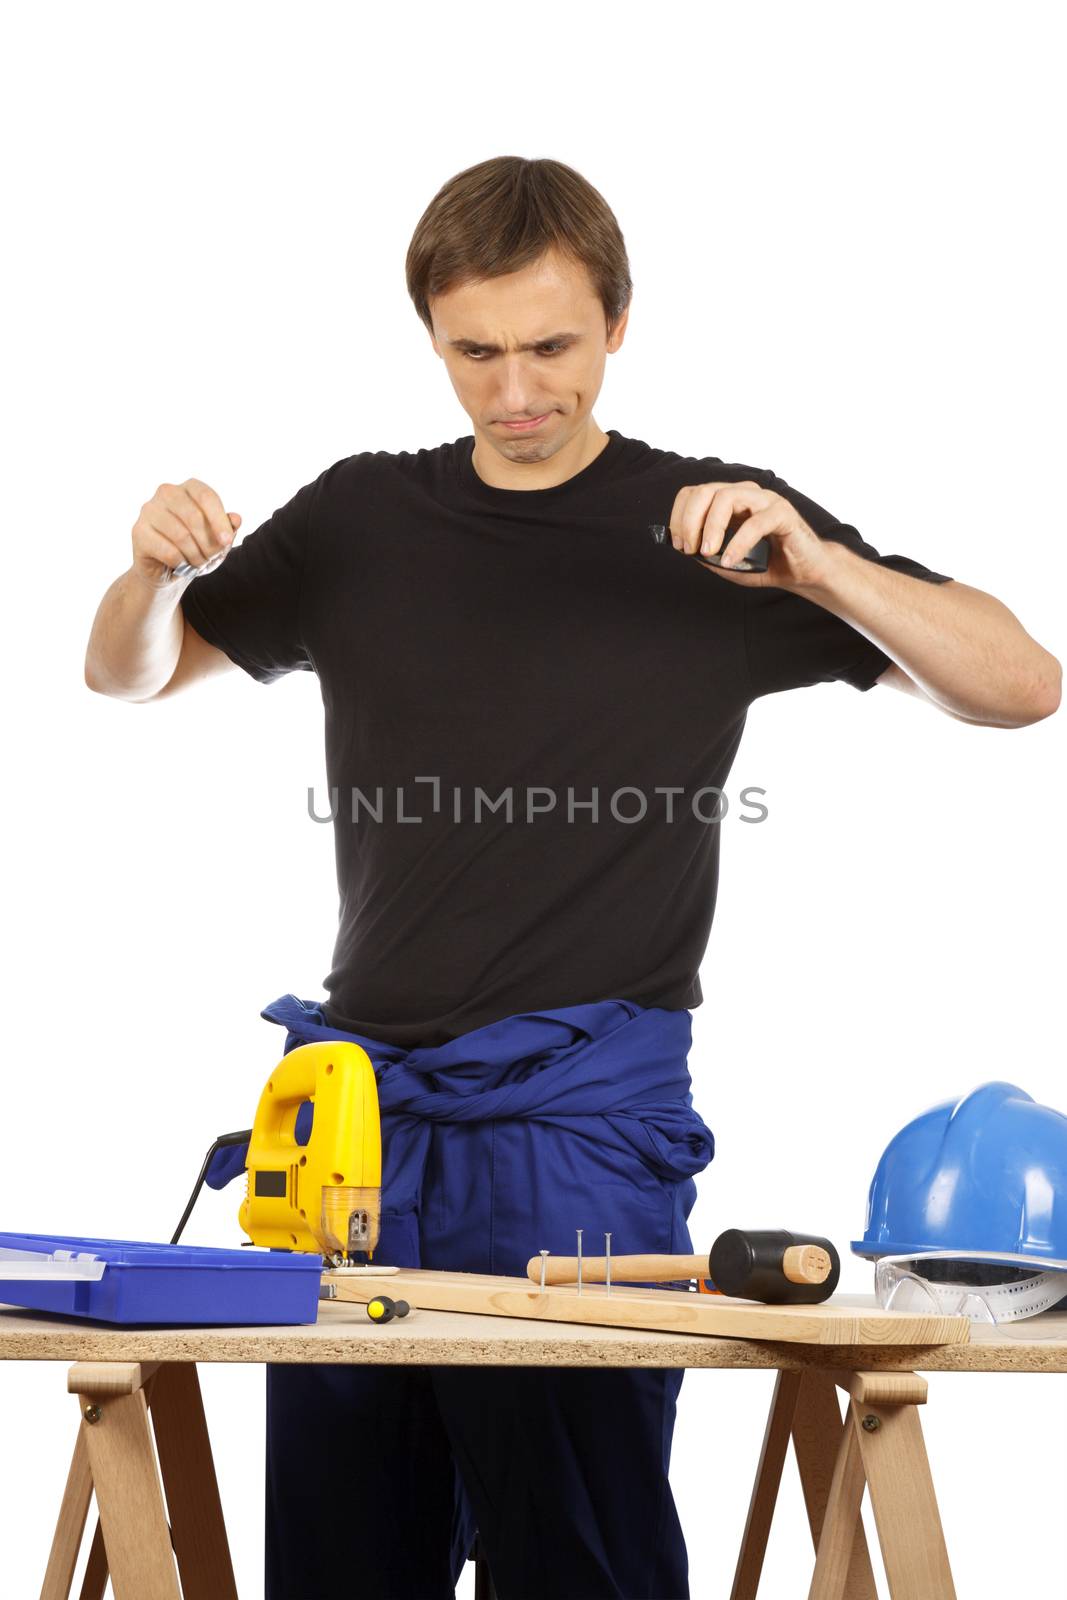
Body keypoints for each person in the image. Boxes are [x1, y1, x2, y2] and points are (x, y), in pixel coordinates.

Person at [83, 155, 1061, 1600]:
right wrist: (149, 575)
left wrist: (819, 570)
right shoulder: (361, 519)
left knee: (580, 1562)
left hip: (584, 1120)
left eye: (550, 347)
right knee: (346, 1561)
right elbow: (130, 676)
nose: (515, 388)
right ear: (434, 338)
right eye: (475, 352)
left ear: (615, 327)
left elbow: (1021, 683)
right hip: (359, 1119)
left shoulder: (717, 528)